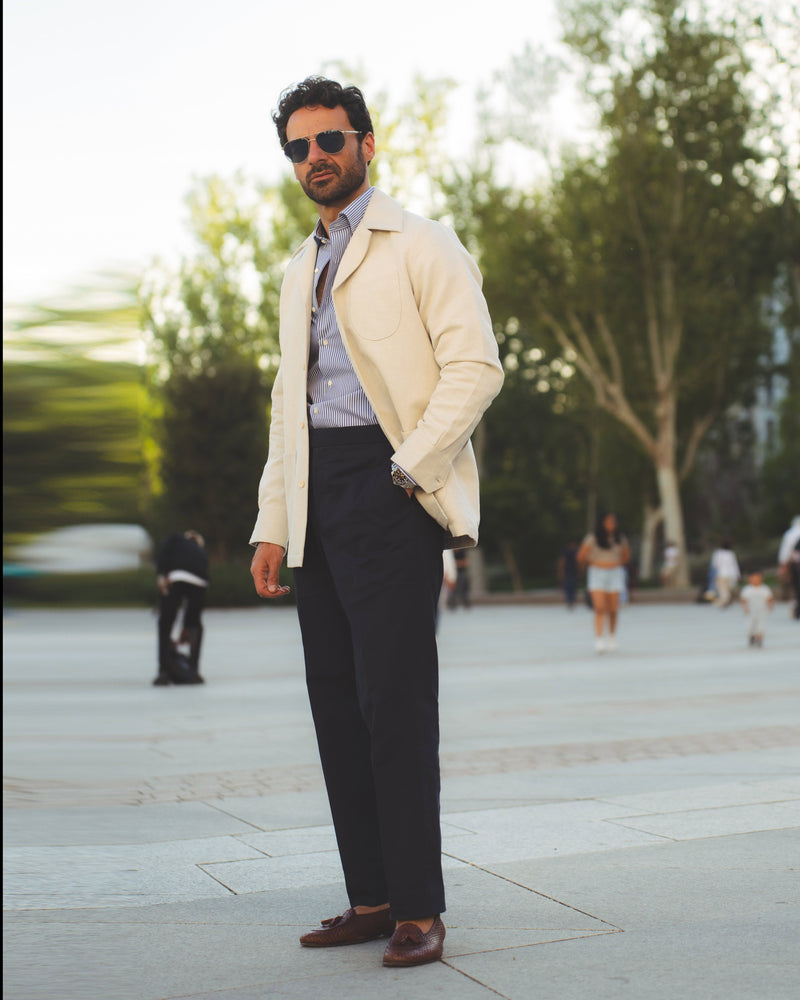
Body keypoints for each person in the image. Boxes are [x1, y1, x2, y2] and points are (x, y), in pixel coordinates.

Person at [248, 77, 503, 969]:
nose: (314, 157)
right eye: (297, 147)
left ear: (365, 142)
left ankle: (421, 909)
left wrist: (408, 468)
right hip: (317, 492)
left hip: (389, 486)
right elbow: (291, 405)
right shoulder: (297, 266)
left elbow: (475, 367)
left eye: (329, 140)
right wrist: (270, 522)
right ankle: (371, 896)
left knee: (393, 703)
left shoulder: (421, 243)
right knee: (334, 705)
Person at [153, 530, 208, 685]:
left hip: (175, 577)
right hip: (200, 581)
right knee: (195, 624)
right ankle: (193, 671)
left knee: (165, 622)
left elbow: (163, 553)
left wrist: (161, 576)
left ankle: (163, 671)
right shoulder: (200, 551)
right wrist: (187, 624)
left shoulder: (175, 538)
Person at [577, 512, 631, 653]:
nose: (611, 524)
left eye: (613, 521)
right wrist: (596, 563)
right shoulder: (592, 538)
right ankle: (599, 639)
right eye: (608, 521)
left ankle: (612, 636)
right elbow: (581, 556)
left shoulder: (620, 538)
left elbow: (626, 556)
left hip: (615, 573)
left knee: (613, 609)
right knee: (600, 607)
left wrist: (616, 564)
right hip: (597, 573)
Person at [740, 571, 775, 647]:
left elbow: (769, 598)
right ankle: (751, 636)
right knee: (750, 625)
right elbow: (744, 600)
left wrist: (771, 605)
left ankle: (759, 638)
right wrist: (745, 608)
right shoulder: (747, 589)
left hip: (762, 610)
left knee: (761, 626)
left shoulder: (764, 589)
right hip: (751, 611)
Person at [777, 516, 800, 620]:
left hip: (796, 565)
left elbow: (785, 552)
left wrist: (782, 566)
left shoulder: (790, 534)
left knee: (797, 587)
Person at [710, 539, 740, 608]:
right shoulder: (731, 553)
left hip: (721, 574)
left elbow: (714, 564)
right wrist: (738, 574)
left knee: (722, 589)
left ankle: (725, 601)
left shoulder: (717, 553)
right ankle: (727, 600)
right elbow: (735, 565)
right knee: (728, 588)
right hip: (731, 574)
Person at [557, 539, 579, 609]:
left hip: (574, 572)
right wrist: (561, 571)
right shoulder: (566, 552)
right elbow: (562, 562)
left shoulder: (577, 551)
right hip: (567, 572)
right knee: (568, 588)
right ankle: (570, 601)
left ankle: (571, 601)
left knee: (573, 588)